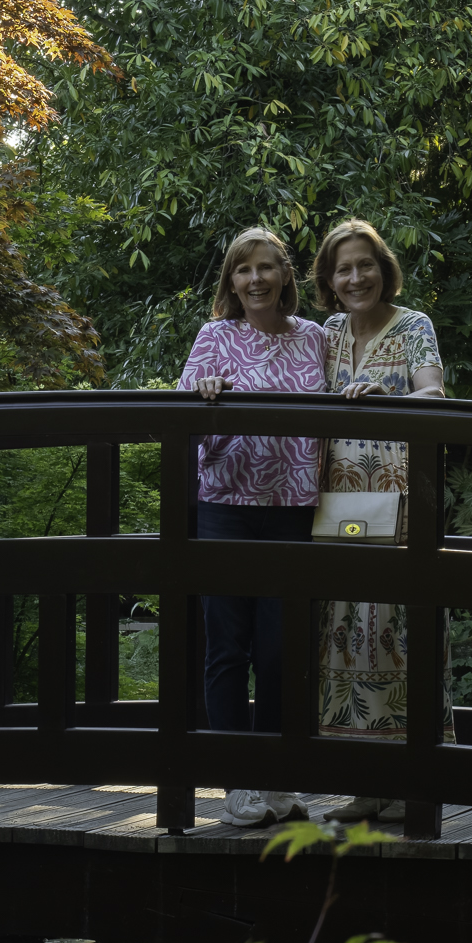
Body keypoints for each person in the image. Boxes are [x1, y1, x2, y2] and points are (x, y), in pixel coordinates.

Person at [178, 226, 325, 829]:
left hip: (292, 506)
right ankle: (238, 782)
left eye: (267, 268)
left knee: (281, 646)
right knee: (227, 646)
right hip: (226, 505)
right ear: (231, 281)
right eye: (244, 270)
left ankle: (275, 776)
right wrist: (203, 392)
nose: (256, 279)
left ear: (286, 276)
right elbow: (183, 422)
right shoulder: (216, 337)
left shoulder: (313, 338)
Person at [310, 219, 449, 824]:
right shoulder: (328, 333)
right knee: (345, 631)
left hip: (400, 508)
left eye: (365, 264)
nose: (355, 276)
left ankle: (419, 779)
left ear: (383, 269)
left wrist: (386, 400)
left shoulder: (414, 326)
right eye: (343, 268)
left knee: (402, 631)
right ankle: (367, 781)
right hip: (336, 505)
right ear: (329, 280)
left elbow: (435, 396)